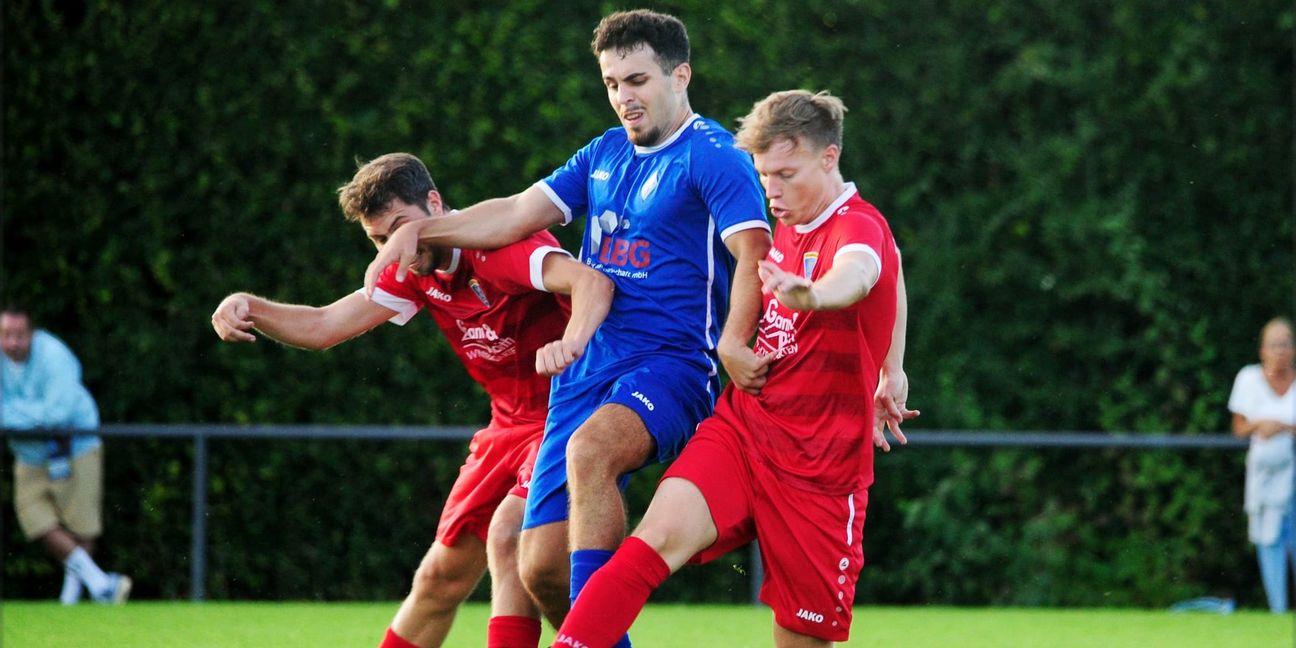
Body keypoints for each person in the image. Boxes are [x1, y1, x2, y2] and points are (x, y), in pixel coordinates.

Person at [363, 10, 772, 637]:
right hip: (583, 375)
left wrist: (735, 343)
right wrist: (420, 230)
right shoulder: (604, 152)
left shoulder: (715, 156)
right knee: (540, 567)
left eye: (636, 80)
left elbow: (753, 256)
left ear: (680, 75)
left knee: (591, 453)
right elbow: (516, 214)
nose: (623, 98)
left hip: (670, 364)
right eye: (611, 84)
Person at [551, 90, 917, 648]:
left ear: (829, 157)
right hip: (744, 431)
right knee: (653, 542)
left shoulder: (857, 226)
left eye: (785, 174)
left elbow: (864, 272)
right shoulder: (788, 220)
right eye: (764, 174)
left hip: (821, 471)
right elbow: (897, 277)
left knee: (799, 638)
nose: (771, 190)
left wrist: (816, 296)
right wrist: (893, 365)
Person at [210, 152, 614, 648]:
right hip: (505, 427)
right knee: (438, 578)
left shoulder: (500, 245)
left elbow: (587, 282)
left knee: (508, 538)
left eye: (399, 228)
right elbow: (323, 326)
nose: (392, 247)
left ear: (435, 204)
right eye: (378, 240)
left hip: (566, 416)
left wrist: (572, 343)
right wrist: (249, 306)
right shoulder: (413, 266)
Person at [2, 305, 132, 605]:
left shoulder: (54, 355)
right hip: (30, 454)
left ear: (31, 333)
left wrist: (11, 414)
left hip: (75, 445)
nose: (12, 342)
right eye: (5, 335)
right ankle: (101, 584)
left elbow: (56, 415)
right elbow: (42, 415)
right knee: (34, 519)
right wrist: (32, 416)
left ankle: (70, 602)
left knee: (81, 525)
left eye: (19, 335)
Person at [1229, 316, 1296, 613]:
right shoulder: (1248, 379)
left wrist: (1281, 426)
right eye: (1274, 345)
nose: (1280, 350)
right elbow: (1240, 427)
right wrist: (1261, 425)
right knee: (1270, 541)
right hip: (1265, 478)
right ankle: (1278, 611)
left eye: (1285, 344)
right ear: (1262, 350)